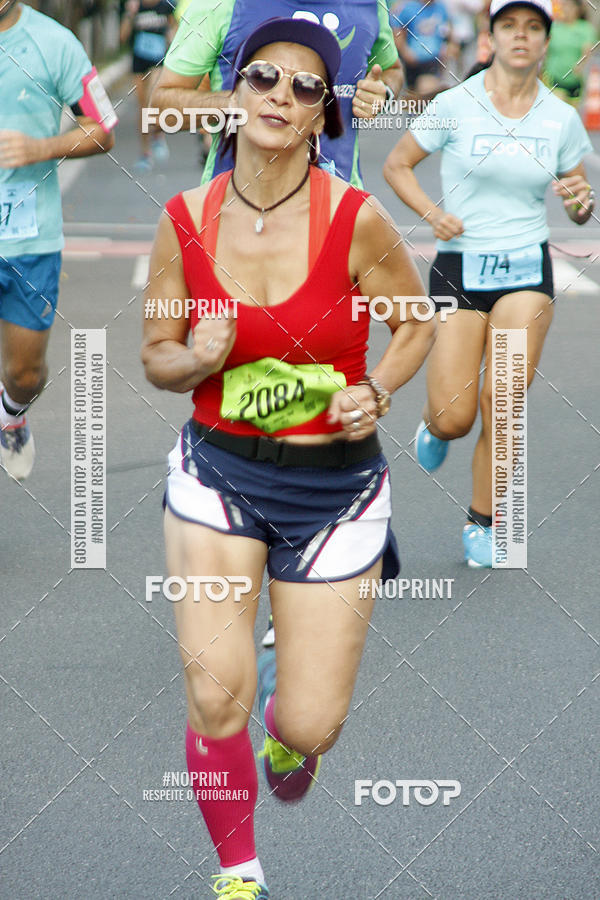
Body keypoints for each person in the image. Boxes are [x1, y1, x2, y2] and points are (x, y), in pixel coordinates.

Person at [141, 17, 434, 898]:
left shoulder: (356, 220)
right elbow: (157, 353)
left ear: (324, 117)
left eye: (306, 88)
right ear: (233, 94)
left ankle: (288, 731)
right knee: (212, 695)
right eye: (264, 77)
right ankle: (239, 874)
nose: (281, 95)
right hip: (218, 476)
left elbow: (415, 326)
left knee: (309, 727)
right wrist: (196, 358)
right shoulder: (184, 220)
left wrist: (374, 392)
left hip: (335, 491)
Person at [383, 0, 594, 568]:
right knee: (456, 415)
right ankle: (435, 425)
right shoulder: (456, 105)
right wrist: (432, 214)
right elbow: (397, 165)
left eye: (532, 27)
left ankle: (485, 518)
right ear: (491, 36)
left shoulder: (559, 118)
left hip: (526, 267)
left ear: (546, 40)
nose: (521, 37)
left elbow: (576, 195)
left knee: (503, 400)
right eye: (509, 26)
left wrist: (579, 205)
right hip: (460, 266)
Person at [0, 0, 116, 480]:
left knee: (26, 375)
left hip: (29, 242)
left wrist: (39, 148)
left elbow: (103, 128)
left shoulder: (54, 44)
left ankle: (11, 415)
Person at [150, 0, 404, 187]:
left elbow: (392, 70)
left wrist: (384, 93)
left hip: (337, 209)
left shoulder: (371, 5)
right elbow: (160, 110)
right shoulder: (220, 5)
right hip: (233, 210)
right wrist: (239, 103)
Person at [120, 0, 176, 171]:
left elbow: (174, 28)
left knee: (154, 95)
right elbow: (122, 37)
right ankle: (145, 152)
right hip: (139, 61)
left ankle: (158, 134)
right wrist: (130, 14)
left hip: (158, 60)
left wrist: (171, 40)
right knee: (143, 106)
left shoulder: (165, 5)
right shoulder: (134, 6)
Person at [542, 0, 597, 105]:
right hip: (553, 79)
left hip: (574, 82)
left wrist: (580, 65)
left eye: (567, 6)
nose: (564, 9)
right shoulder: (554, 27)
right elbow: (544, 49)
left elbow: (587, 51)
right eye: (562, 6)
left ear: (576, 9)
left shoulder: (585, 28)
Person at [390, 0, 452, 92]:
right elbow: (398, 32)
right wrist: (405, 51)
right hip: (413, 61)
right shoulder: (408, 8)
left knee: (428, 91)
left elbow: (449, 31)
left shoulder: (440, 7)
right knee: (414, 94)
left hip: (432, 60)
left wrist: (448, 49)